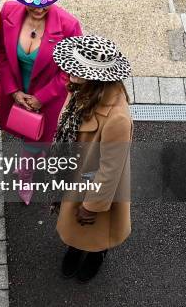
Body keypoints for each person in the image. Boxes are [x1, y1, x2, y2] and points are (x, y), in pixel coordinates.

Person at [0, 0, 82, 205]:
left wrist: (41, 98)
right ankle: (30, 158)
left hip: (47, 100)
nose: (39, 7)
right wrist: (13, 91)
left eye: (44, 2)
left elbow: (69, 69)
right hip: (14, 94)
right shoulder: (8, 12)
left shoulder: (68, 25)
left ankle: (25, 174)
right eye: (32, 1)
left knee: (33, 142)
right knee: (22, 134)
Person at [51, 35, 133, 282]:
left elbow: (109, 171)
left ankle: (96, 254)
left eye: (78, 70)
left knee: (93, 225)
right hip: (76, 172)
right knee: (78, 226)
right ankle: (76, 248)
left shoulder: (117, 118)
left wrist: (92, 205)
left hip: (94, 184)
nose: (70, 72)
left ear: (97, 77)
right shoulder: (82, 89)